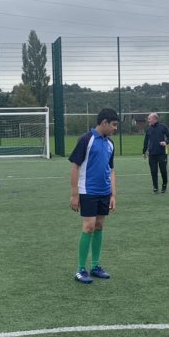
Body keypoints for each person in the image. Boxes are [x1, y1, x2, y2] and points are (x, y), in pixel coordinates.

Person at [69, 107, 119, 284]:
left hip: (104, 192)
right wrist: (75, 194)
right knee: (88, 226)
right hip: (87, 191)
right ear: (104, 122)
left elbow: (111, 169)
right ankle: (80, 269)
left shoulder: (110, 143)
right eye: (113, 125)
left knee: (99, 226)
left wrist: (113, 194)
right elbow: (75, 166)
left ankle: (96, 266)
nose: (115, 128)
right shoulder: (86, 139)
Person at [142, 111, 169, 193]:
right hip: (152, 154)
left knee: (163, 170)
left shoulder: (163, 127)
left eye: (149, 119)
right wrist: (144, 151)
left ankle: (164, 185)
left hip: (162, 154)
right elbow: (146, 141)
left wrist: (165, 142)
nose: (148, 120)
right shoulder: (148, 129)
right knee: (153, 171)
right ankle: (155, 187)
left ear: (155, 119)